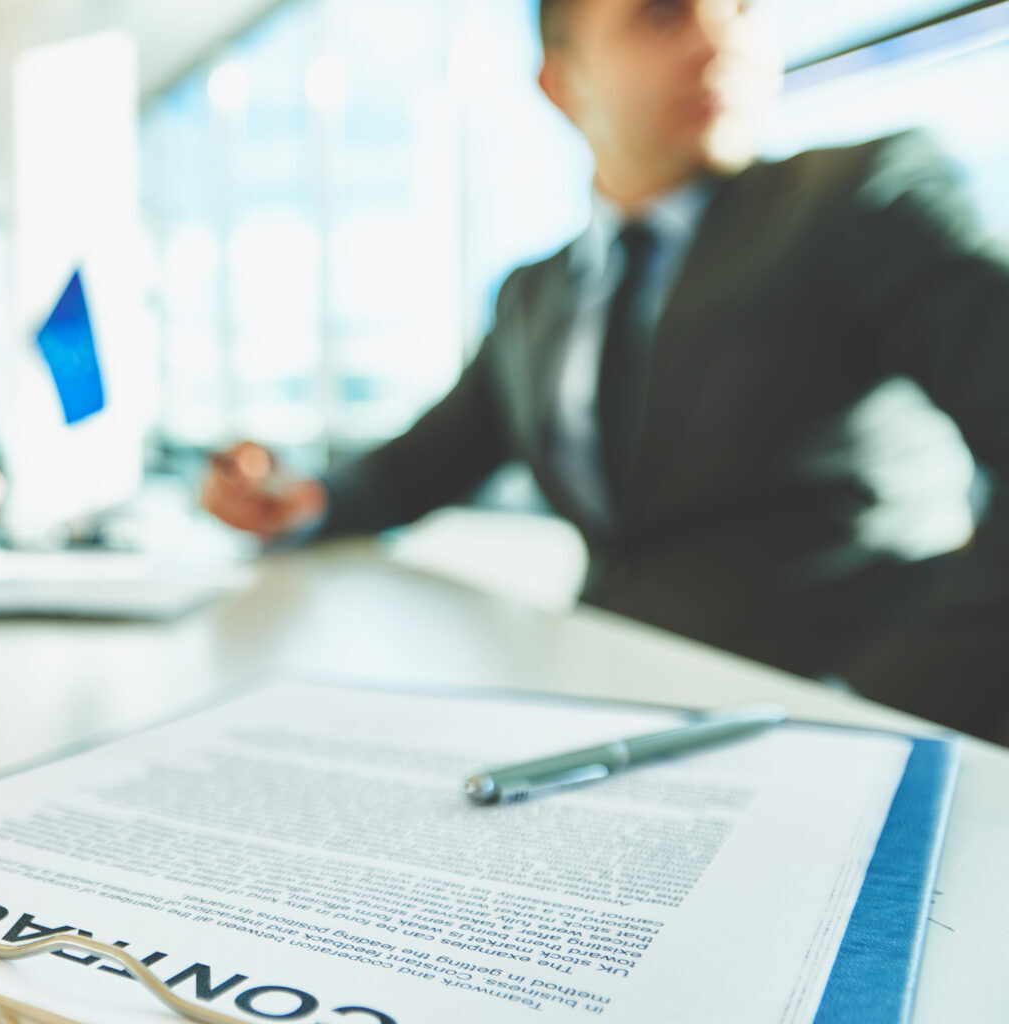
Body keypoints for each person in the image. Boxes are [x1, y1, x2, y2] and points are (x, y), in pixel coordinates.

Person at [205, 0, 1009, 739]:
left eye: (738, 7)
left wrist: (880, 707)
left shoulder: (862, 198)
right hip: (604, 706)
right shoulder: (535, 294)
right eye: (662, 15)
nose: (718, 38)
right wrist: (300, 500)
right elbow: (420, 465)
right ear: (563, 81)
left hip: (825, 718)